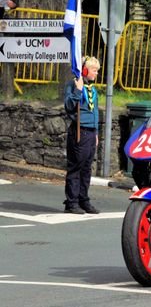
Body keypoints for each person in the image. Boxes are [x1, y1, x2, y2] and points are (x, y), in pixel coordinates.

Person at [63, 56, 101, 215]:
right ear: (84, 70)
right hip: (80, 131)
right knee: (76, 167)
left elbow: (95, 111)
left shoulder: (92, 89)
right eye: (94, 70)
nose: (97, 74)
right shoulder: (74, 85)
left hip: (91, 133)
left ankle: (83, 199)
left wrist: (96, 132)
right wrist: (78, 90)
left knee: (87, 168)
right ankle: (71, 202)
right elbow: (69, 105)